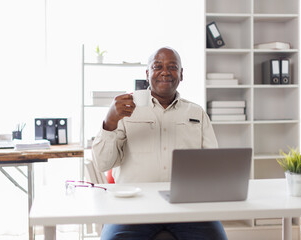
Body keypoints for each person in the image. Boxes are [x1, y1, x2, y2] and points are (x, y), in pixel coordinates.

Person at [92, 47, 228, 240]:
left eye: (172, 67)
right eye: (158, 66)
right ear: (148, 74)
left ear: (181, 75)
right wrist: (110, 121)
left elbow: (213, 164)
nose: (165, 71)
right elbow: (102, 164)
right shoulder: (124, 111)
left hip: (188, 207)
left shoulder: (197, 113)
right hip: (133, 206)